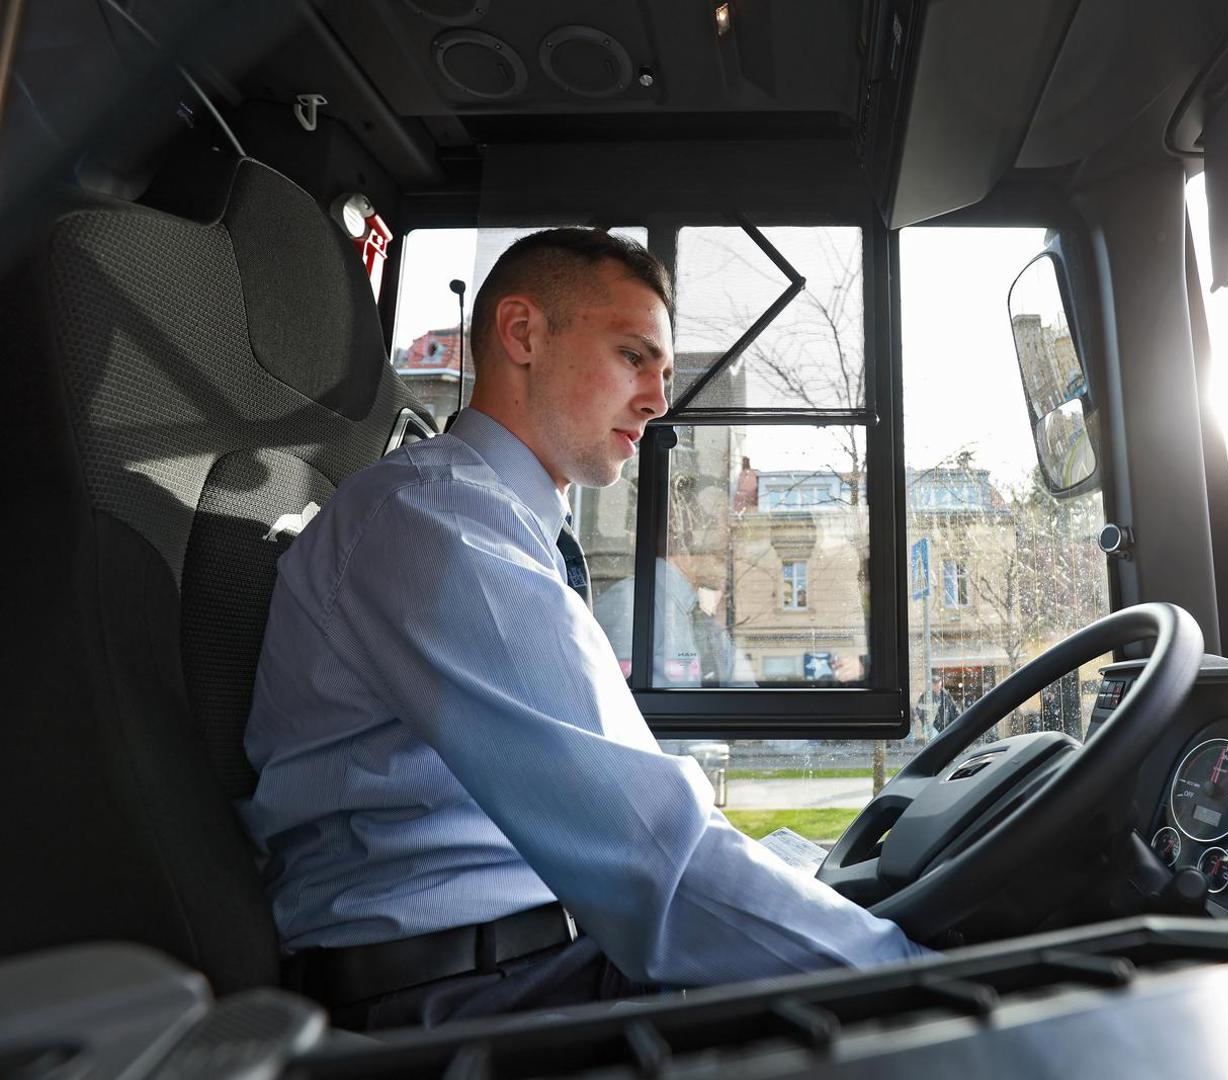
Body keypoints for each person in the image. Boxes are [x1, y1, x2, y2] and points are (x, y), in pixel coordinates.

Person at [240, 229, 926, 1030]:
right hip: (460, 998)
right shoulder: (435, 526)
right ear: (523, 334)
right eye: (634, 356)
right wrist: (919, 975)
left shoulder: (494, 524)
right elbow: (652, 857)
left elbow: (640, 831)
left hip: (536, 962)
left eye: (665, 372)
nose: (659, 401)